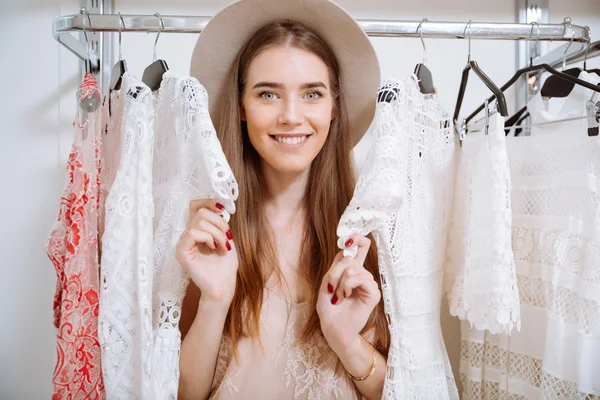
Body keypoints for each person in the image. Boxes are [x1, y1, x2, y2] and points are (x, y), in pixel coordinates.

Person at [178, 0, 389, 398]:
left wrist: (345, 341)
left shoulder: (365, 232)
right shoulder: (208, 232)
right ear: (241, 107)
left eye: (312, 94)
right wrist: (215, 299)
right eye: (268, 95)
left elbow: (393, 390)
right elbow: (184, 395)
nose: (291, 116)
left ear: (333, 108)